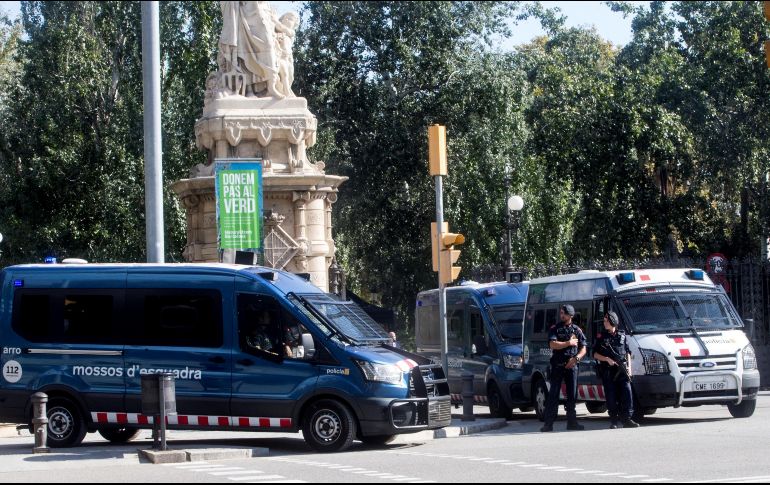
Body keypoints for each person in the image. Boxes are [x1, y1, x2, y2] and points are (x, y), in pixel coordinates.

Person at [540, 304, 587, 432]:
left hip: (572, 366)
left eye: (564, 313)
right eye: (561, 313)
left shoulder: (577, 330)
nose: (561, 315)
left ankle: (572, 423)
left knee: (572, 395)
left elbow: (583, 348)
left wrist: (576, 359)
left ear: (570, 315)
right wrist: (568, 343)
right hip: (558, 366)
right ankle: (548, 424)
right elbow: (552, 344)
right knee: (553, 395)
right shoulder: (555, 328)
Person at [593, 311, 640, 429]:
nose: (604, 323)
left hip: (622, 370)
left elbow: (628, 352)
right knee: (611, 396)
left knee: (627, 392)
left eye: (606, 320)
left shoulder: (622, 335)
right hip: (608, 371)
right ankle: (613, 420)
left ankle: (627, 419)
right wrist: (606, 359)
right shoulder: (601, 336)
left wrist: (629, 367)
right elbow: (594, 354)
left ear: (612, 321)